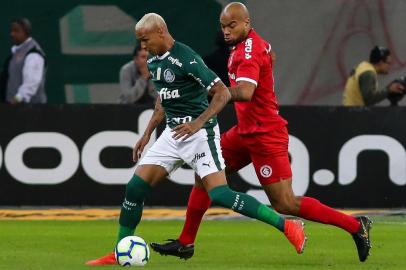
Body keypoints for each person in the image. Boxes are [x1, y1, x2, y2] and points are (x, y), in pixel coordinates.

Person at [150, 2, 372, 263]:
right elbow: (267, 57)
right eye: (223, 26)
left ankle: (356, 226)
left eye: (232, 25)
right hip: (244, 132)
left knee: (285, 203)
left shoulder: (248, 51)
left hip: (266, 134)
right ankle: (186, 242)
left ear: (247, 22)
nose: (226, 31)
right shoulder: (248, 46)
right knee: (204, 174)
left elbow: (245, 92)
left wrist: (211, 92)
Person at [86, 12, 306, 266]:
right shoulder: (155, 60)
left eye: (145, 40)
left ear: (160, 32)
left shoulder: (186, 58)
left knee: (221, 194)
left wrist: (198, 123)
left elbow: (222, 93)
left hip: (200, 134)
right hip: (172, 134)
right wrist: (147, 134)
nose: (143, 47)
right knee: (135, 188)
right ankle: (118, 251)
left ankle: (287, 226)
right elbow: (163, 99)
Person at [1, 18, 46, 104]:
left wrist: (17, 99)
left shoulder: (34, 54)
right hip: (13, 108)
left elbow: (32, 82)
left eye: (16, 31)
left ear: (26, 32)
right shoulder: (15, 53)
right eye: (11, 31)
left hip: (30, 110)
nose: (12, 34)